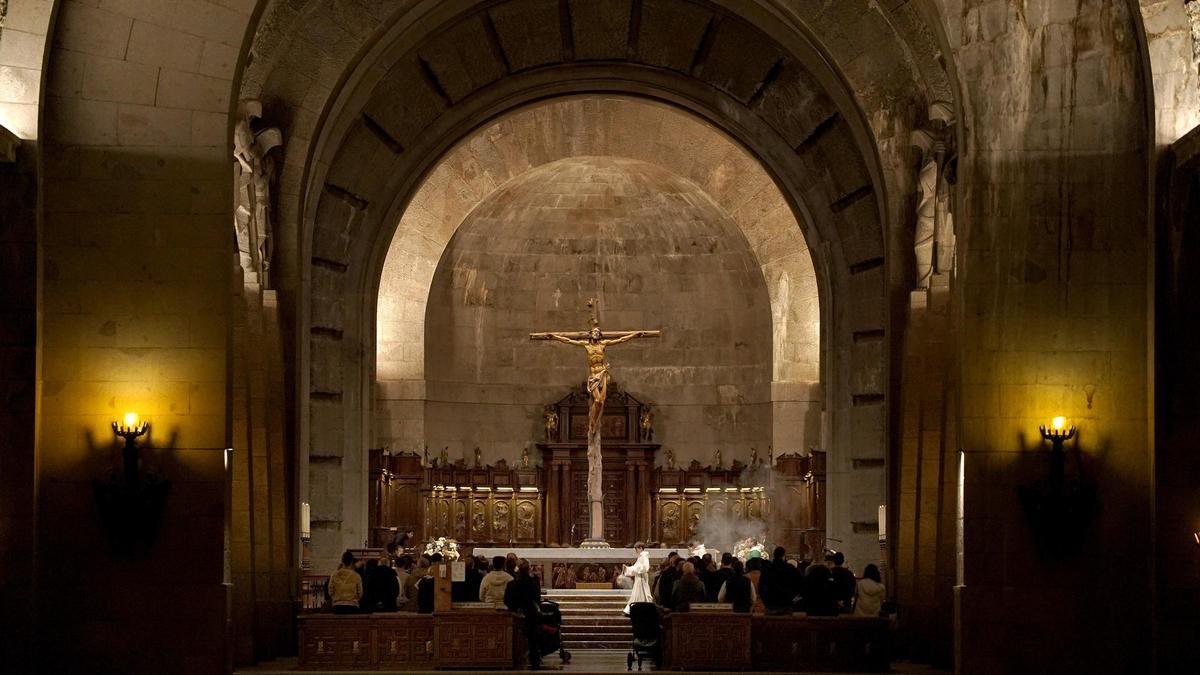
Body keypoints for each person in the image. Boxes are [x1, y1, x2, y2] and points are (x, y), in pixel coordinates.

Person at [504, 561, 544, 667]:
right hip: (530, 611)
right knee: (532, 637)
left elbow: (507, 599)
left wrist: (514, 608)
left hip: (516, 612)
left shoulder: (512, 583)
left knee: (516, 636)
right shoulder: (533, 582)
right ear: (528, 570)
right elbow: (537, 597)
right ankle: (534, 659)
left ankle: (515, 657)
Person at [761, 546, 799, 614]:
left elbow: (761, 587)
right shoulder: (790, 569)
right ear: (784, 556)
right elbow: (799, 585)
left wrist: (766, 601)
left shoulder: (767, 569)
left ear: (773, 555)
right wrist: (792, 599)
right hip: (787, 604)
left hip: (771, 605)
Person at [622, 542, 653, 615]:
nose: (636, 550)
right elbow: (636, 567)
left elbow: (645, 567)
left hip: (642, 578)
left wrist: (633, 569)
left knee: (641, 594)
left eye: (637, 548)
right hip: (639, 578)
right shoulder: (640, 557)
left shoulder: (644, 556)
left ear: (641, 548)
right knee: (637, 594)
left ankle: (633, 610)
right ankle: (632, 610)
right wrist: (627, 568)